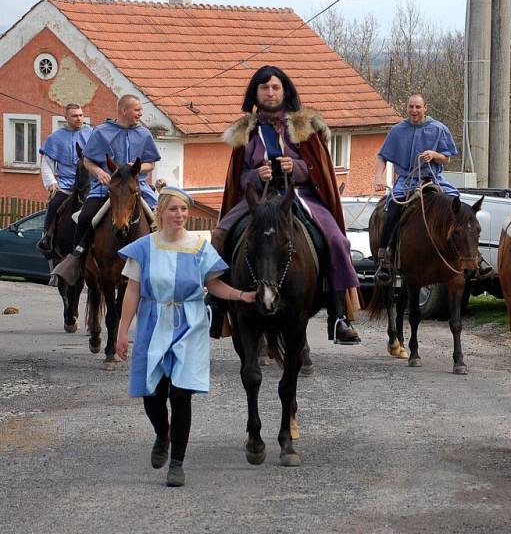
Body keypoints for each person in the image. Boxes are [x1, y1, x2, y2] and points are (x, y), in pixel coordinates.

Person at [116, 187, 257, 487]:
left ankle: (177, 463)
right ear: (161, 212)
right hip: (153, 322)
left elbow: (213, 284)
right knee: (152, 393)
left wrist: (240, 295)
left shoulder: (199, 246)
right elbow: (132, 290)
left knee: (180, 393)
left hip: (189, 323)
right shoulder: (144, 248)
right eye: (174, 209)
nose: (180, 215)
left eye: (184, 209)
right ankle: (162, 433)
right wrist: (122, 331)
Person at [211, 65, 360, 344]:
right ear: (255, 93)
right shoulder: (246, 132)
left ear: (285, 91)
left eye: (275, 87)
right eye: (264, 87)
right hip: (257, 199)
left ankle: (339, 316)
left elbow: (320, 168)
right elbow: (238, 176)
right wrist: (257, 174)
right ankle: (217, 305)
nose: (270, 92)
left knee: (337, 241)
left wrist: (298, 167)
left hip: (301, 195)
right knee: (219, 234)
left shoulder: (305, 126)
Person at [53, 94, 161, 283]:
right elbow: (87, 160)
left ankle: (161, 261)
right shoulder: (102, 132)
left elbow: (151, 163)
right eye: (137, 110)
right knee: (85, 217)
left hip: (136, 187)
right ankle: (77, 258)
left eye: (140, 110)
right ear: (123, 110)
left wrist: (136, 168)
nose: (140, 113)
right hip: (105, 187)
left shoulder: (144, 133)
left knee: (159, 217)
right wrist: (98, 172)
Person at [372, 93, 460, 283]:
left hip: (433, 178)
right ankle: (384, 257)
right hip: (406, 181)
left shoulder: (439, 128)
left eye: (417, 107)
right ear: (407, 108)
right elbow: (382, 156)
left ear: (425, 108)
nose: (414, 111)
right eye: (411, 107)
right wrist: (378, 176)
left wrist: (434, 154)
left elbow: (447, 158)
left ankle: (463, 255)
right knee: (393, 210)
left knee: (456, 206)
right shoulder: (397, 130)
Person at [36, 104, 93, 254]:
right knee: (55, 204)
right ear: (66, 118)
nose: (79, 118)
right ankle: (47, 237)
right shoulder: (55, 138)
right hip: (66, 184)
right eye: (75, 116)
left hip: (90, 183)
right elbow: (47, 164)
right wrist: (51, 183)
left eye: (81, 115)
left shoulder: (92, 134)